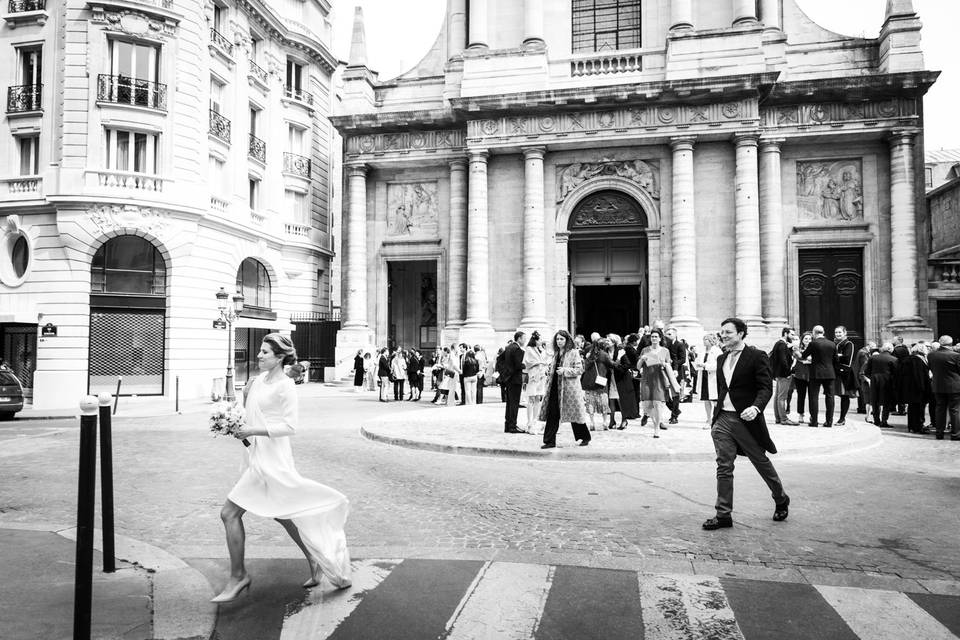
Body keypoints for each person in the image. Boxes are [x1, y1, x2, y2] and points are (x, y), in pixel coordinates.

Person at [213, 334, 351, 603]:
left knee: (229, 513)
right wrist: (236, 428)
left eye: (265, 352)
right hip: (256, 456)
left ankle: (239, 576)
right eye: (260, 351)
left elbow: (290, 426)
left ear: (279, 357)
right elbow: (248, 418)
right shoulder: (255, 382)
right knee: (282, 513)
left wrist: (252, 429)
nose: (259, 355)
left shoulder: (286, 386)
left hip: (274, 459)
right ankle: (314, 558)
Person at [703, 318, 789, 531]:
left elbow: (765, 387)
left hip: (746, 420)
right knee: (724, 466)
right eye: (722, 332)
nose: (723, 335)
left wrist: (756, 407)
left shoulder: (756, 356)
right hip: (723, 419)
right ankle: (723, 515)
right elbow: (725, 388)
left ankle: (780, 498)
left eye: (728, 332)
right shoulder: (722, 358)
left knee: (760, 461)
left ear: (741, 333)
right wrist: (716, 417)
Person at [539, 329, 591, 448]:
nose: (559, 341)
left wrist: (565, 371)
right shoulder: (556, 353)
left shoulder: (573, 352)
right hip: (554, 388)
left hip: (569, 389)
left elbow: (579, 369)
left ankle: (585, 437)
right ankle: (549, 441)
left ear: (567, 340)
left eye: (562, 339)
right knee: (552, 414)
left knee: (574, 414)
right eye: (557, 339)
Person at [638, 328, 679, 438]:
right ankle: (649, 417)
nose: (654, 338)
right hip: (647, 379)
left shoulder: (665, 351)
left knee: (658, 404)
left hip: (659, 380)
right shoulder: (645, 350)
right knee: (647, 405)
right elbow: (638, 367)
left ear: (660, 338)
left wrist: (664, 364)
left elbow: (668, 365)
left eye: (656, 336)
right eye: (652, 336)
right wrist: (642, 359)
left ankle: (656, 428)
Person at [801, 325, 837, 428]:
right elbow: (836, 360)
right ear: (823, 332)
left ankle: (814, 422)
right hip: (830, 373)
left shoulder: (813, 343)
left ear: (814, 333)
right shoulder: (832, 344)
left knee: (813, 397)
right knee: (830, 397)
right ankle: (829, 422)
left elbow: (804, 355)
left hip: (816, 373)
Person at [928, 335, 960, 440]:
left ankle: (939, 433)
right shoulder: (956, 356)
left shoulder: (931, 355)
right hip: (954, 386)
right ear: (950, 344)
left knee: (940, 409)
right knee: (954, 410)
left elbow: (932, 369)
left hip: (938, 385)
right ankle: (955, 434)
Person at [863, 343, 899, 428]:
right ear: (890, 349)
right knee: (886, 402)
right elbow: (896, 374)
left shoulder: (872, 357)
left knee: (874, 401)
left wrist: (873, 377)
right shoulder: (894, 359)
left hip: (874, 381)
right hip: (887, 382)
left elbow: (867, 371)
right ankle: (884, 421)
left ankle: (876, 420)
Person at [900, 342, 932, 434]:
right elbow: (920, 377)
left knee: (912, 408)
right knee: (919, 408)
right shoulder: (918, 361)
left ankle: (912, 426)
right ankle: (919, 426)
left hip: (909, 388)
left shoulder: (907, 359)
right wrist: (924, 388)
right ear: (921, 350)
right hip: (918, 389)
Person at [769, 327, 799, 425]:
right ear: (786, 334)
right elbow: (783, 361)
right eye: (792, 334)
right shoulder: (782, 345)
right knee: (782, 397)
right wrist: (788, 373)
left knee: (778, 396)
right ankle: (784, 419)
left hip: (779, 374)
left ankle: (778, 418)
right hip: (784, 374)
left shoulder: (780, 344)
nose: (793, 336)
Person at [694, 332, 723, 429]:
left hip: (714, 378)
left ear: (711, 341)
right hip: (704, 377)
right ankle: (708, 419)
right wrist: (698, 364)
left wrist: (705, 366)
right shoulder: (702, 351)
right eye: (703, 339)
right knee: (706, 399)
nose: (704, 341)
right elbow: (698, 361)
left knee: (715, 400)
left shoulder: (717, 351)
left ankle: (716, 419)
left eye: (705, 339)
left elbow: (719, 365)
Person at [612, 333, 640, 430]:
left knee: (622, 399)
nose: (606, 341)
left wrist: (617, 366)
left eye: (608, 339)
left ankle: (624, 420)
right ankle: (612, 420)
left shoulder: (620, 351)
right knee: (612, 400)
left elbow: (627, 364)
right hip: (611, 378)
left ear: (613, 342)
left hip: (621, 377)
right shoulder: (606, 351)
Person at [502, 331, 527, 433]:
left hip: (509, 379)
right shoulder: (517, 349)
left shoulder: (508, 347)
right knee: (514, 404)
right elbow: (518, 365)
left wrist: (505, 373)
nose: (525, 340)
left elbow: (500, 360)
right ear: (519, 339)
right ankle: (513, 426)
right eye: (524, 338)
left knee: (509, 403)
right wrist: (525, 365)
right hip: (515, 379)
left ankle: (508, 425)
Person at [523, 332, 547, 433]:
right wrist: (539, 362)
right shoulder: (529, 349)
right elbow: (526, 362)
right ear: (536, 340)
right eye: (540, 339)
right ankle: (529, 422)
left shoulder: (541, 350)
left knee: (538, 397)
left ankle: (535, 420)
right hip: (533, 375)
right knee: (531, 398)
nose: (541, 341)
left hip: (541, 376)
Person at [833, 326, 857, 426]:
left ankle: (842, 419)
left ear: (845, 333)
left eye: (840, 332)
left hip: (845, 374)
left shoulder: (849, 344)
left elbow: (847, 358)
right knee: (832, 395)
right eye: (836, 332)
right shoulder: (834, 343)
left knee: (844, 396)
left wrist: (836, 356)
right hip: (835, 372)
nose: (838, 334)